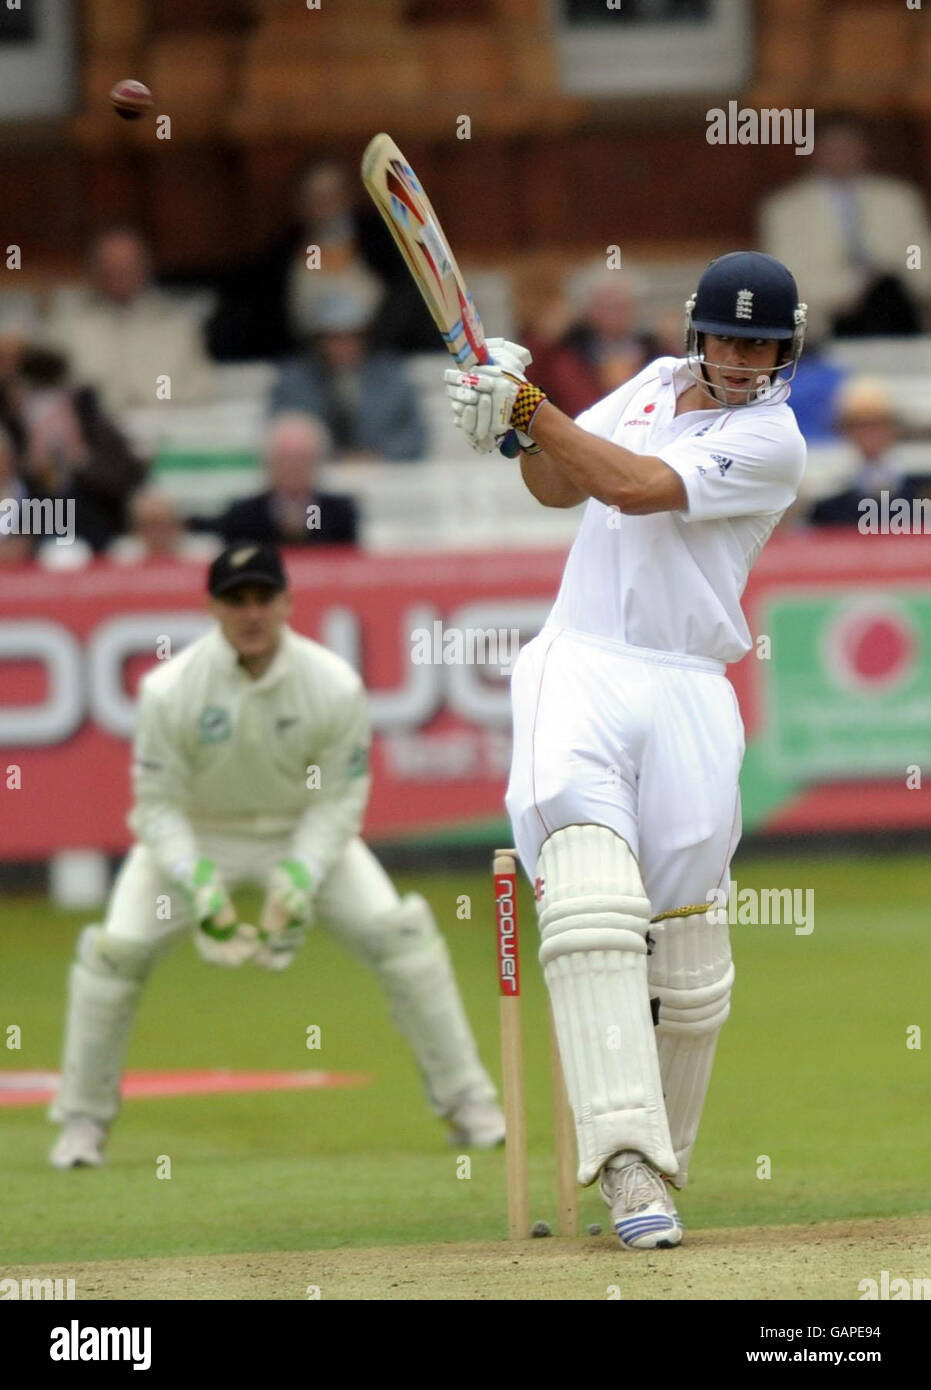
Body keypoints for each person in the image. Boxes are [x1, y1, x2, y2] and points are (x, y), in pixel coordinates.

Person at [445, 251, 808, 1249]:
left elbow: (640, 488)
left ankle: (663, 1154)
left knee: (688, 966)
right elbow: (558, 487)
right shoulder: (649, 384)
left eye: (759, 344)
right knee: (594, 904)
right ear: (696, 333)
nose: (738, 359)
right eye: (726, 338)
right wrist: (512, 427)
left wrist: (529, 406)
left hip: (690, 687)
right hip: (583, 662)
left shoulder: (772, 439)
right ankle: (624, 1161)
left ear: (784, 351)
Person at [49, 541, 505, 1168]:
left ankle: (470, 1105)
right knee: (114, 954)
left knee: (400, 936)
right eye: (237, 600)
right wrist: (198, 883)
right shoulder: (169, 689)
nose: (252, 612)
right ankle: (81, 1124)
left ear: (288, 603)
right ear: (212, 607)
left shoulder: (333, 685)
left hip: (300, 832)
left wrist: (300, 874)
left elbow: (340, 799)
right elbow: (156, 805)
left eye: (264, 598)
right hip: (196, 835)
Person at [760, 113, 931, 338]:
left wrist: (901, 276)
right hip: (829, 315)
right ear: (814, 152)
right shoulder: (786, 208)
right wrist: (854, 286)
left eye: (850, 147)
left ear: (865, 150)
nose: (841, 155)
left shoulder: (898, 199)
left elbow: (918, 255)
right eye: (832, 148)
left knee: (887, 291)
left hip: (897, 309)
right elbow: (788, 277)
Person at [43, 227, 215, 417]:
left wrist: (158, 400)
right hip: (94, 434)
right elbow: (50, 392)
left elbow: (199, 390)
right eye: (110, 267)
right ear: (94, 271)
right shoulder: (65, 326)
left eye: (128, 266)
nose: (119, 274)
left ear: (145, 268)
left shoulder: (178, 326)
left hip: (166, 428)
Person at [269, 290, 427, 461]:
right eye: (334, 338)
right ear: (318, 341)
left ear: (365, 337)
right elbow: (278, 434)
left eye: (352, 336)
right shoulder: (294, 381)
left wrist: (375, 457)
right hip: (316, 478)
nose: (343, 346)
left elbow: (414, 436)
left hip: (384, 474)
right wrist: (336, 459)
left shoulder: (393, 377)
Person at [204, 413, 358, 547]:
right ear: (268, 461)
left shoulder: (337, 512)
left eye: (302, 458)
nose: (293, 467)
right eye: (285, 459)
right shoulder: (244, 514)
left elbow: (323, 546)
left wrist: (305, 527)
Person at [808, 378, 921, 527]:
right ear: (847, 432)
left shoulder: (921, 492)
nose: (869, 434)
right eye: (860, 426)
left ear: (893, 428)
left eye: (877, 425)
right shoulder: (830, 508)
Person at [109, 485, 221, 564]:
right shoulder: (121, 557)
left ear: (179, 524)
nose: (158, 532)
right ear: (135, 528)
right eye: (151, 525)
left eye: (164, 523)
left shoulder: (205, 553)